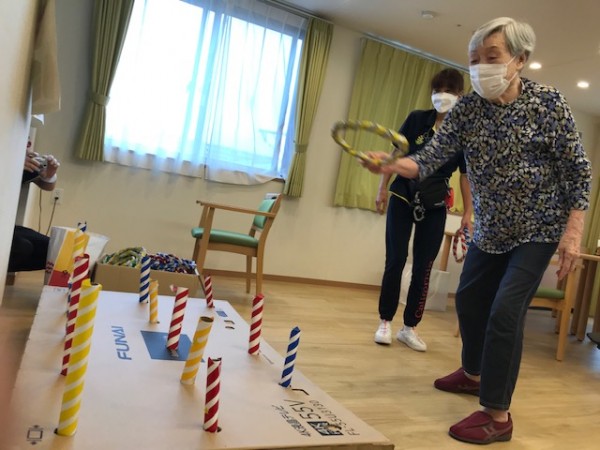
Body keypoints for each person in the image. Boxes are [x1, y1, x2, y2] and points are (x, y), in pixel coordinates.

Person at [363, 17, 592, 445]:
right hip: (491, 228)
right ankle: (473, 374)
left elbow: (578, 171)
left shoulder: (548, 103)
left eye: (492, 57)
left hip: (538, 229)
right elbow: (430, 158)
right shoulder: (467, 110)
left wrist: (572, 233)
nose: (480, 67)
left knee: (505, 311)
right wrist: (390, 165)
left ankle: (497, 415)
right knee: (468, 299)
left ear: (519, 60)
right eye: (474, 59)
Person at [374, 68, 473, 352]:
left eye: (448, 91)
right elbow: (395, 155)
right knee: (395, 259)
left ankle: (409, 327)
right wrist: (382, 188)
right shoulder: (417, 119)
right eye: (437, 90)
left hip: (436, 201)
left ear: (460, 95)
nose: (442, 95)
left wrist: (468, 213)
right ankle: (385, 321)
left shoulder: (463, 132)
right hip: (403, 194)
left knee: (424, 266)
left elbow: (465, 175)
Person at [9, 150, 60, 273]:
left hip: (7, 225)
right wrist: (10, 163)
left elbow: (47, 186)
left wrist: (49, 176)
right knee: (22, 247)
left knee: (52, 250)